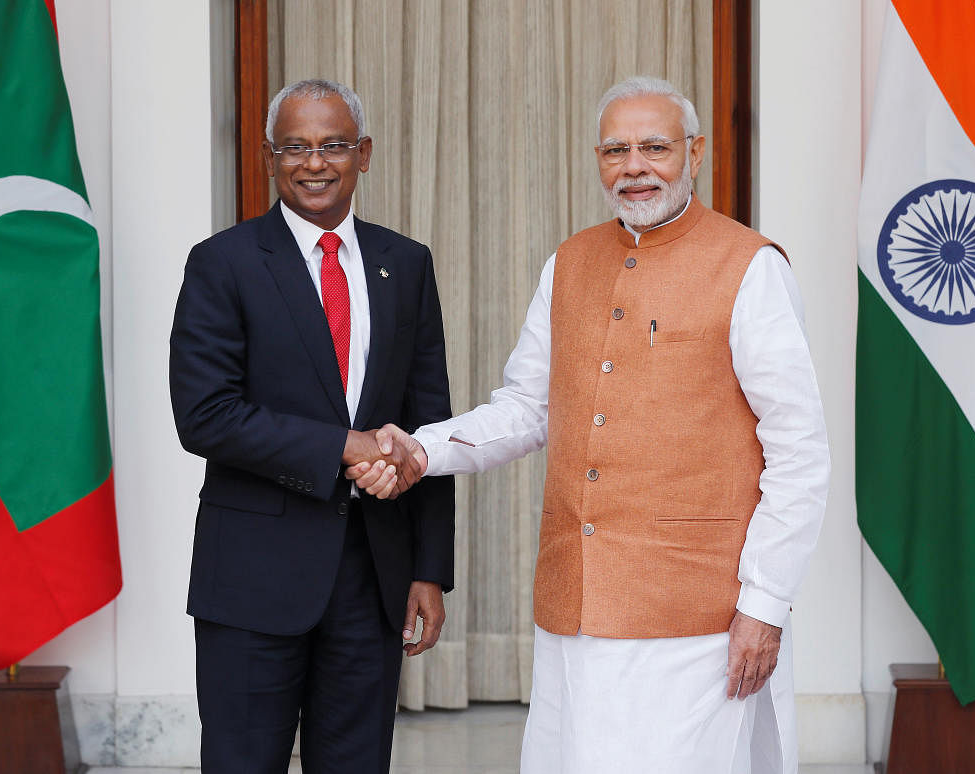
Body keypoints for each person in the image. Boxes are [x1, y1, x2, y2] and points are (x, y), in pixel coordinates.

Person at [350, 76, 829, 773]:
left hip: (697, 616)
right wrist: (421, 450)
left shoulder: (750, 267)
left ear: (695, 153)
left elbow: (799, 452)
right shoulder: (570, 262)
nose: (634, 167)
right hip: (575, 607)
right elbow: (527, 406)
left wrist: (767, 603)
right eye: (616, 150)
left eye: (655, 147)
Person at [169, 79, 455, 774]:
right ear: (271, 156)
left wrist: (429, 568)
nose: (313, 162)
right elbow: (205, 415)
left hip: (373, 576)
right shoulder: (223, 263)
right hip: (252, 579)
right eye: (294, 146)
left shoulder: (405, 264)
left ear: (364, 154)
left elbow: (428, 421)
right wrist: (344, 446)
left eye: (332, 145)